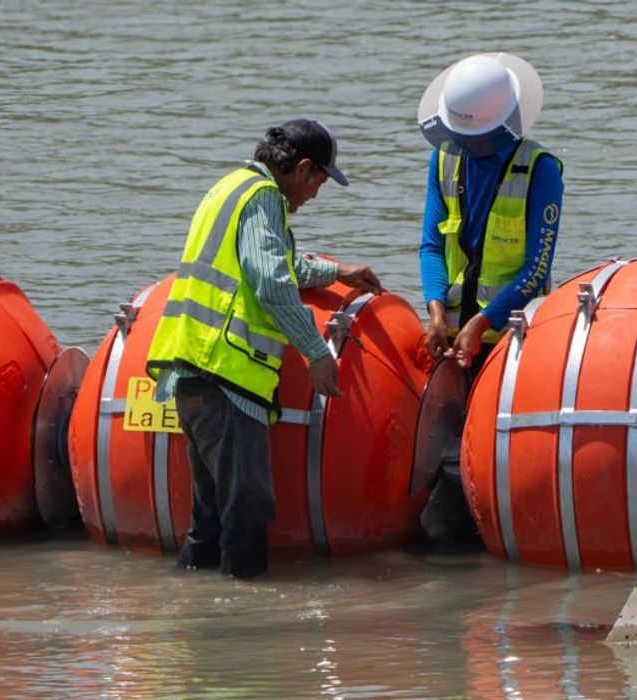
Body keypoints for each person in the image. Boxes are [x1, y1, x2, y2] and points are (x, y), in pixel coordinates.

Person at [147, 120, 382, 578]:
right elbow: (271, 281)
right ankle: (241, 627)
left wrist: (336, 271)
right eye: (319, 181)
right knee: (246, 514)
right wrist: (317, 353)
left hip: (189, 367)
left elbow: (275, 261)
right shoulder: (264, 198)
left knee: (210, 519)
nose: (315, 194)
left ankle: (193, 610)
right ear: (303, 168)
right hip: (228, 376)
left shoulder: (230, 187)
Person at [415, 52, 565, 544]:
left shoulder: (540, 170)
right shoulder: (444, 158)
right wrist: (436, 309)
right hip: (451, 337)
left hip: (512, 340)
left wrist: (484, 324)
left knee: (491, 454)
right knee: (442, 458)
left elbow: (535, 269)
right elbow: (432, 244)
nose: (468, 148)